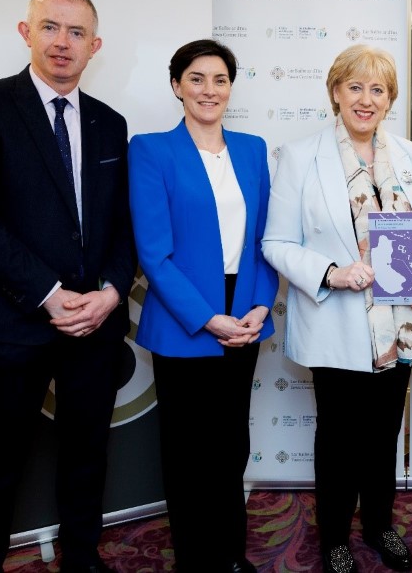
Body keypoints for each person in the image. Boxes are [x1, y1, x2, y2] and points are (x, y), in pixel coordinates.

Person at [0, 0, 136, 573]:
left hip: (95, 326)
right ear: (26, 33)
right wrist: (51, 296)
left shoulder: (110, 122)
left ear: (94, 45)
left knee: (86, 455)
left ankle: (82, 558)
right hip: (9, 321)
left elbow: (123, 226)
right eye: (51, 27)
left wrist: (109, 292)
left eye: (77, 33)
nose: (63, 42)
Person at [262, 44, 412, 573]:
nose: (366, 100)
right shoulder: (299, 156)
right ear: (336, 93)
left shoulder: (411, 154)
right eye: (355, 87)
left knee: (385, 437)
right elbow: (275, 243)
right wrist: (330, 273)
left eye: (378, 89)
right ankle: (335, 536)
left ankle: (381, 527)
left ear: (391, 100)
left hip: (400, 329)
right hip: (334, 324)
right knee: (338, 440)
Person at [128, 39, 278, 573]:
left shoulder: (253, 147)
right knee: (188, 454)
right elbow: (154, 253)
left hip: (244, 316)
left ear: (230, 88)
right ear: (176, 86)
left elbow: (266, 238)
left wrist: (261, 305)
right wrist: (207, 318)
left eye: (219, 79)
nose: (208, 90)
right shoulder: (151, 150)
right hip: (185, 321)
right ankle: (195, 559)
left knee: (230, 446)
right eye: (196, 78)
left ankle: (231, 554)